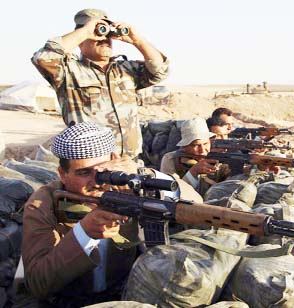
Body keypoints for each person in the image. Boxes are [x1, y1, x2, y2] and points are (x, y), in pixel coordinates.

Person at [17, 123, 143, 307]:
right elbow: (38, 283)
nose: (97, 182)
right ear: (62, 173)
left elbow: (188, 203)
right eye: (84, 173)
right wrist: (83, 234)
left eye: (103, 172)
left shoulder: (128, 184)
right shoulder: (42, 204)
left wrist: (143, 178)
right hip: (68, 300)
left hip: (120, 292)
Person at [31, 8, 169, 159]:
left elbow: (160, 70)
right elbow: (42, 58)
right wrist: (86, 31)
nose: (104, 39)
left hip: (129, 160)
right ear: (80, 42)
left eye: (107, 36)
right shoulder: (69, 72)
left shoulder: (125, 70)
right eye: (97, 35)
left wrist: (138, 40)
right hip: (92, 163)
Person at [160, 118, 219, 193]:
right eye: (197, 145)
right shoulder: (170, 159)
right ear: (184, 146)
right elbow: (172, 192)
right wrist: (193, 172)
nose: (203, 150)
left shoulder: (217, 157)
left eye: (205, 144)